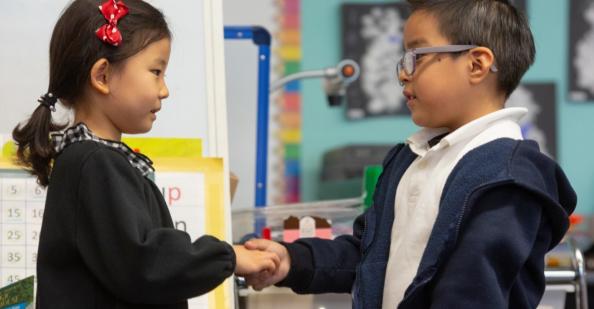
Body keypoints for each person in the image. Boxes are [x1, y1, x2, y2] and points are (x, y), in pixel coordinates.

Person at [242, 0, 577, 308]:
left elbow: (472, 292)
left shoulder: (509, 177)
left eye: (416, 56)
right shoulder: (410, 159)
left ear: (476, 65)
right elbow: (369, 254)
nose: (403, 73)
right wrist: (292, 260)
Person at [11, 0, 279, 307]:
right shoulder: (94, 163)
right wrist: (228, 256)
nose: (164, 90)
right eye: (156, 71)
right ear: (103, 76)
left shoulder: (97, 161)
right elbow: (145, 264)